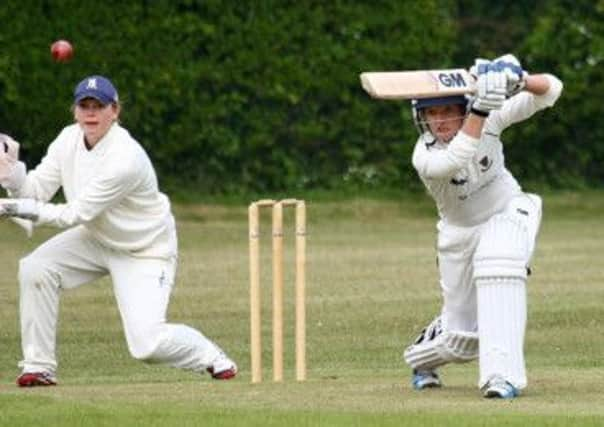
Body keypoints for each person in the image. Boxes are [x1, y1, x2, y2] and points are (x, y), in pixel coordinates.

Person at [0, 75, 237, 386]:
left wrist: (8, 208)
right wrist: (10, 171)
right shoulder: (67, 139)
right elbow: (36, 190)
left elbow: (74, 213)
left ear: (115, 111)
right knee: (35, 269)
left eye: (99, 106)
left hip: (144, 248)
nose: (91, 113)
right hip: (97, 237)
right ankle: (39, 366)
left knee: (147, 346)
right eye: (84, 105)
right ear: (74, 111)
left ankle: (209, 354)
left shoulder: (125, 158)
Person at [401, 55, 563, 398]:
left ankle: (501, 378)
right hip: (458, 235)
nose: (440, 120)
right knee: (460, 339)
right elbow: (456, 158)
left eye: (447, 110)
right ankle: (421, 358)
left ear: (461, 106)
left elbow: (551, 90)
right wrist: (479, 111)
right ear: (422, 119)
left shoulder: (489, 116)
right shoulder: (424, 156)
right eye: (432, 114)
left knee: (500, 257)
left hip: (509, 207)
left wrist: (518, 78)